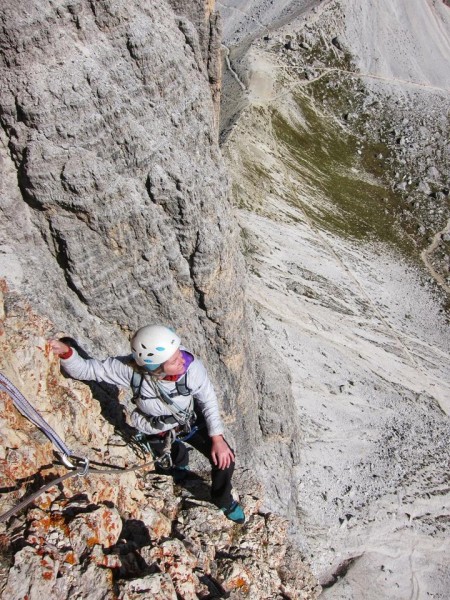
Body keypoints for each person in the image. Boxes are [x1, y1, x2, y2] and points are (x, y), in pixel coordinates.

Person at [49, 324, 245, 524]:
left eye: (179, 353)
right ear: (155, 366)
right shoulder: (130, 371)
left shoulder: (192, 368)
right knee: (168, 462)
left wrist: (217, 438)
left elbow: (208, 399)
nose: (183, 360)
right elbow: (88, 370)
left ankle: (223, 499)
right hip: (155, 427)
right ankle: (178, 464)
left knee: (225, 459)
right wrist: (67, 353)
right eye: (174, 360)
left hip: (189, 420)